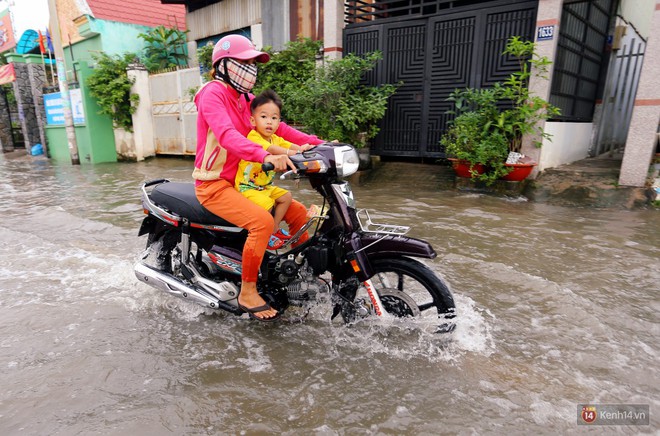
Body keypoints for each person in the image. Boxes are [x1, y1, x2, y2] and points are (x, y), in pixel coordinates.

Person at [192, 34, 324, 322]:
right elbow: (227, 136)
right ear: (223, 65)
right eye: (244, 62)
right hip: (215, 184)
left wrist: (318, 143)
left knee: (299, 211)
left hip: (242, 182)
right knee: (262, 222)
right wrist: (264, 155)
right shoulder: (212, 94)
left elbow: (281, 129)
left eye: (253, 63)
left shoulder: (246, 99)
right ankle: (248, 291)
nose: (250, 69)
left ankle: (291, 274)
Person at [235, 89, 314, 250]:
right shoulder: (253, 137)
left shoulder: (276, 138)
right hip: (247, 187)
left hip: (264, 186)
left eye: (274, 118)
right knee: (267, 203)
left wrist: (305, 150)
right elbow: (271, 149)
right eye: (263, 117)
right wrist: (295, 154)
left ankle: (274, 228)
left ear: (279, 122)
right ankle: (267, 233)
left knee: (286, 196)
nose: (269, 122)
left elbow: (290, 146)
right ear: (253, 120)